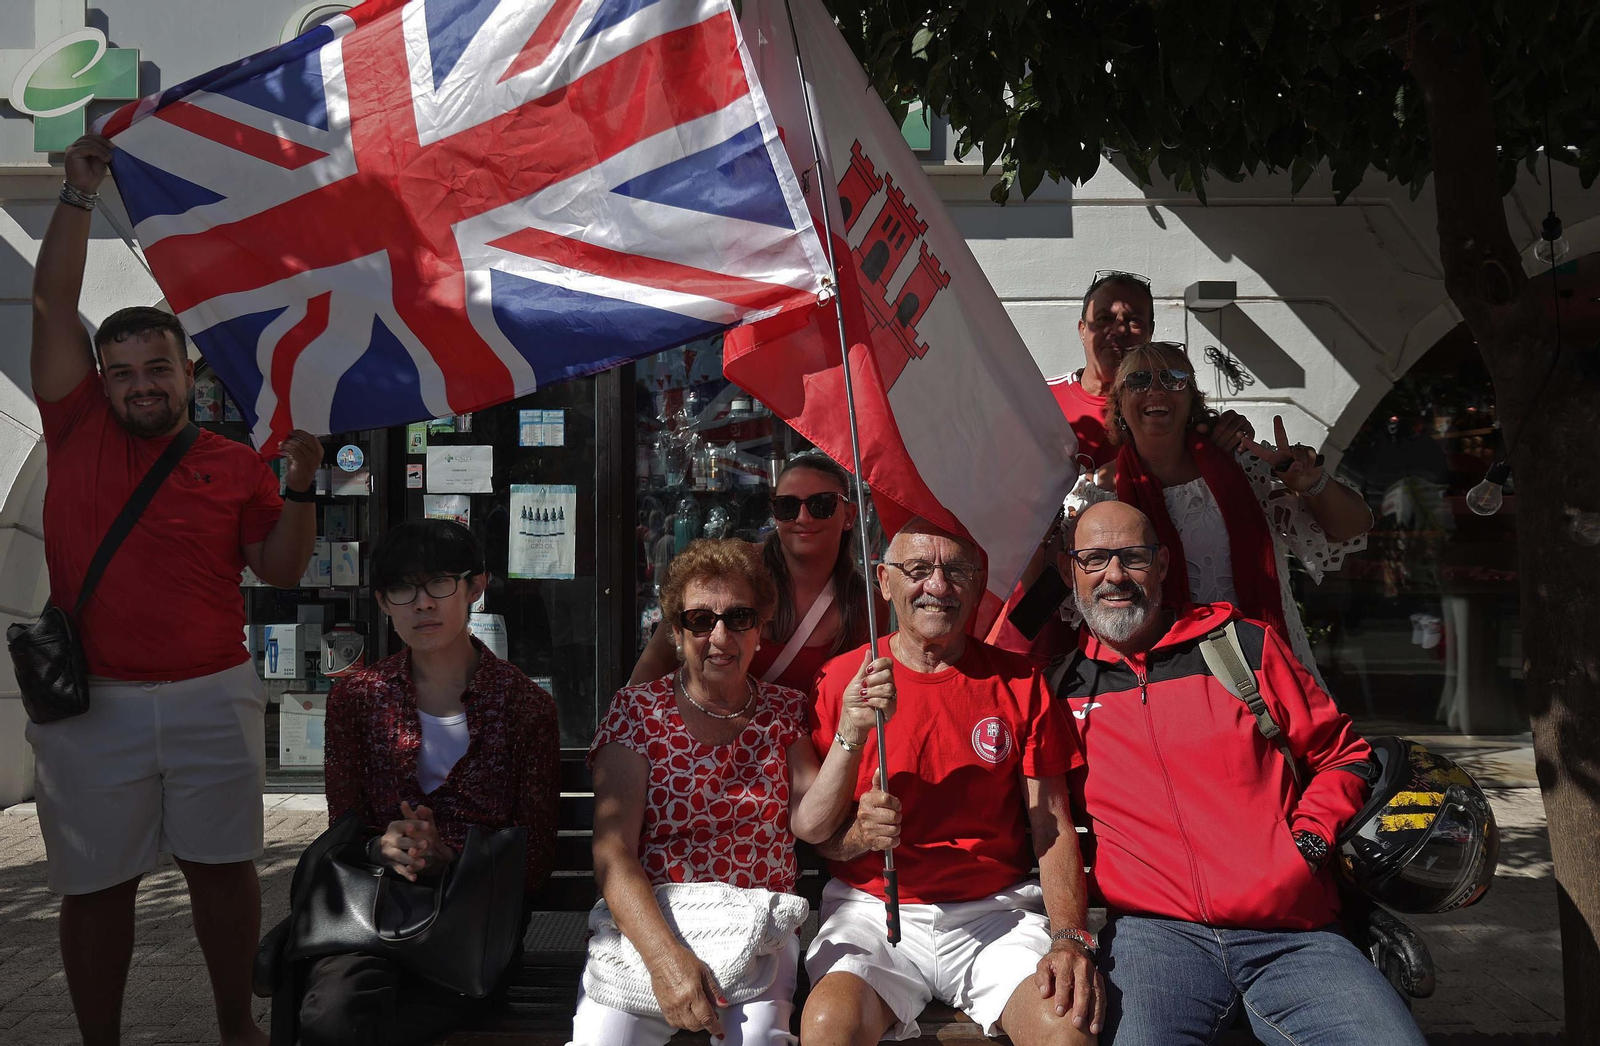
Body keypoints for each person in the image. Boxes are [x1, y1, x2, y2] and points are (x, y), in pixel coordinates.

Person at [27, 133, 321, 1046]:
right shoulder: (76, 425)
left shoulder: (234, 465)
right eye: (122, 373)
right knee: (94, 883)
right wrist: (77, 196)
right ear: (98, 382)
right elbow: (50, 300)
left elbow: (280, 570)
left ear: (188, 374)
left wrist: (304, 485)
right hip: (96, 701)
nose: (140, 385)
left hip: (209, 691)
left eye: (157, 369)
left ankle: (238, 1027)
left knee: (224, 868)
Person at [1052, 501, 1424, 1045]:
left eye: (1132, 557)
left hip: (1292, 935)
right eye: (1094, 559)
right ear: (1071, 573)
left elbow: (1344, 755)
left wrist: (1310, 843)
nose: (1114, 575)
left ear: (1161, 566)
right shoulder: (1061, 690)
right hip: (1155, 940)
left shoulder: (1241, 648)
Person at [577, 538, 891, 1046]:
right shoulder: (637, 712)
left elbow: (810, 820)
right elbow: (613, 852)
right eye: (700, 620)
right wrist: (666, 960)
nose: (719, 635)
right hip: (654, 924)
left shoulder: (784, 711)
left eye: (738, 618)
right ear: (676, 634)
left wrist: (852, 730)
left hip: (758, 927)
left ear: (760, 631)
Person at [802, 519, 1101, 1046]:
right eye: (917, 570)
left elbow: (1050, 824)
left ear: (980, 582)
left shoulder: (1021, 683)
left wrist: (1069, 938)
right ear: (884, 580)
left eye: (956, 570)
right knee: (828, 1027)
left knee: (1066, 1031)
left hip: (996, 914)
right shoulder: (842, 683)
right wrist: (859, 837)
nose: (937, 586)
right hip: (873, 912)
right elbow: (817, 836)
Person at [293, 520, 560, 1046]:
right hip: (371, 911)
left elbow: (536, 859)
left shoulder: (526, 705)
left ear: (475, 588)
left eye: (439, 583)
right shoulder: (357, 700)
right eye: (402, 589)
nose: (422, 604)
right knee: (332, 1012)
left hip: (474, 924)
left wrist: (451, 856)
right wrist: (380, 844)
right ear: (383, 602)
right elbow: (341, 833)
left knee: (410, 1015)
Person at [1076, 340, 1373, 686]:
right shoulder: (1094, 495)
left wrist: (1312, 483)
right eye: (1139, 381)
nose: (1156, 389)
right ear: (1119, 405)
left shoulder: (1244, 469)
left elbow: (1353, 528)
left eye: (1173, 379)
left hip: (1265, 671)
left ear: (1191, 401)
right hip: (1161, 681)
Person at [631, 450, 881, 693]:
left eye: (821, 504)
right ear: (775, 515)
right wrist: (630, 725)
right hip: (715, 733)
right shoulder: (734, 567)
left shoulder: (869, 605)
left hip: (817, 737)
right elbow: (655, 662)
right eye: (787, 506)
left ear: (849, 515)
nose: (803, 518)